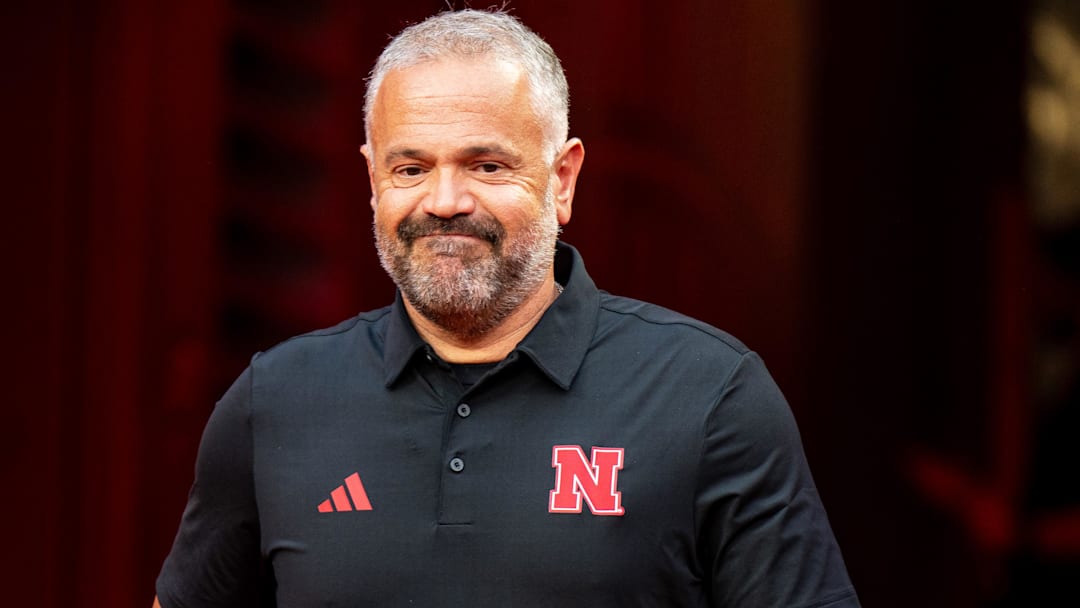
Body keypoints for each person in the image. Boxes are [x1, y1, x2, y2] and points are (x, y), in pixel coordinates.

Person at [153, 8, 860, 608]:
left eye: (487, 166)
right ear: (372, 180)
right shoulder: (274, 403)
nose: (444, 200)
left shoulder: (708, 397)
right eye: (410, 168)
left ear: (562, 179)